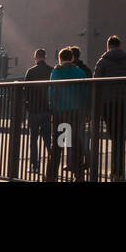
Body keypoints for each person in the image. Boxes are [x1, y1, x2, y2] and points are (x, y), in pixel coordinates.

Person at [92, 36, 126, 180]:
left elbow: (96, 83)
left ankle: (115, 171)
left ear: (108, 46)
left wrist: (96, 105)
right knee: (121, 136)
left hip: (108, 104)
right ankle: (120, 171)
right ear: (120, 45)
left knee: (114, 136)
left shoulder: (102, 62)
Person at [45, 47, 87, 181]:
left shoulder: (56, 72)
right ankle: (79, 175)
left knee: (57, 145)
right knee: (75, 143)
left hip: (60, 112)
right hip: (76, 111)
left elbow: (52, 92)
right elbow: (84, 92)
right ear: (72, 58)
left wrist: (52, 107)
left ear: (60, 59)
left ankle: (51, 176)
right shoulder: (79, 72)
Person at [24, 49, 54, 175]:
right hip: (47, 110)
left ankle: (34, 166)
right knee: (48, 139)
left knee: (33, 140)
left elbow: (26, 91)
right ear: (45, 57)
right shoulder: (51, 70)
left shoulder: (30, 72)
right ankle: (53, 165)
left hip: (34, 110)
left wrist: (27, 107)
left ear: (35, 57)